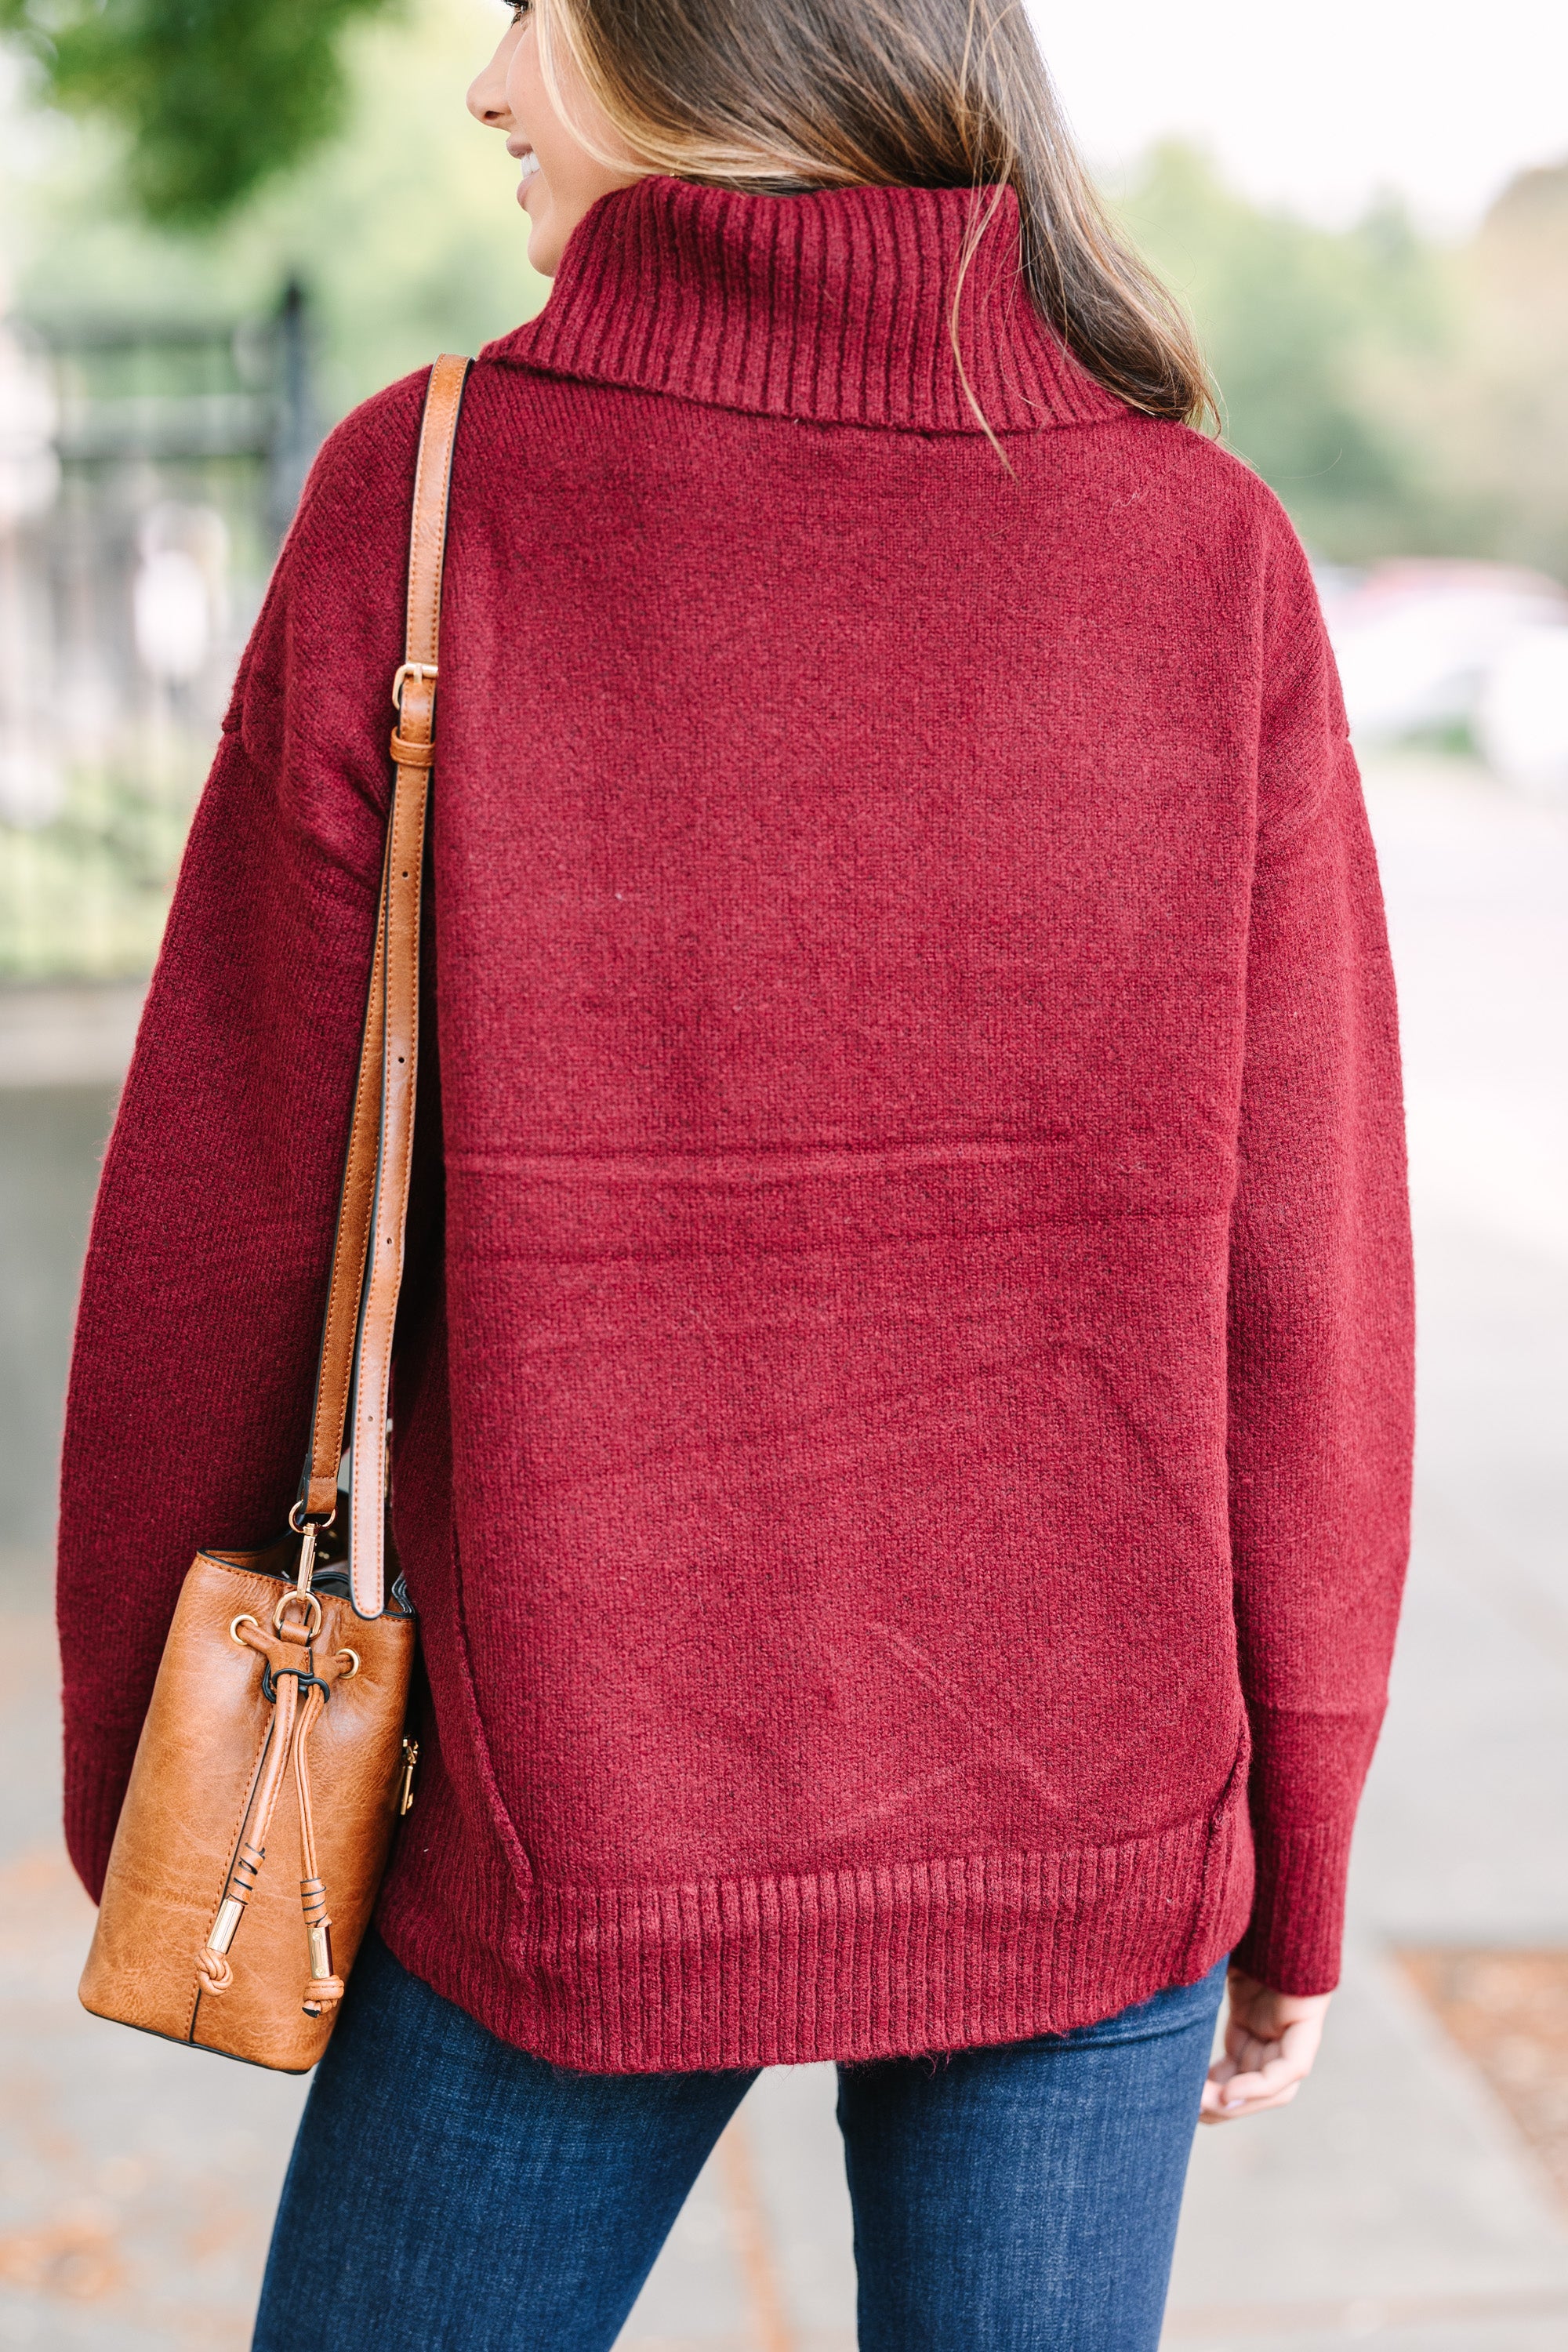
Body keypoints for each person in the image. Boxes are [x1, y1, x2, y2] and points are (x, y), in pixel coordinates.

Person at [56, 0, 1414, 2343]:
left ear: (701, 42)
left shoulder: (435, 498)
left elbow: (222, 1227)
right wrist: (1296, 1843)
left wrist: (147, 1774)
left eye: (527, 14)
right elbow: (1314, 1299)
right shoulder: (1208, 550)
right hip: (1091, 1837)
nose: (488, 84)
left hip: (560, 1826)